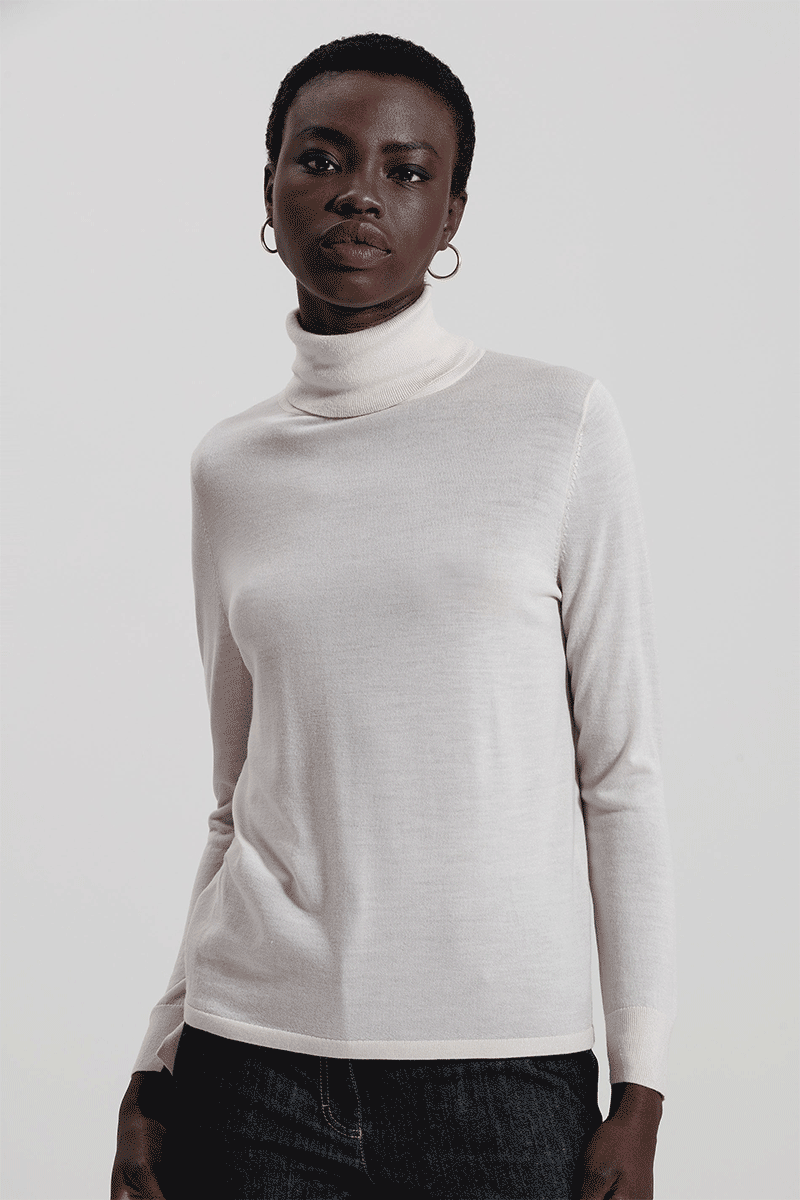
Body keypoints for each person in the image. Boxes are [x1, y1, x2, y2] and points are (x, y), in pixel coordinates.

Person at [110, 32, 676, 1200]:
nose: (359, 192)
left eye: (405, 170)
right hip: (249, 1066)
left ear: (451, 211)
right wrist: (154, 1065)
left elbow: (618, 778)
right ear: (270, 187)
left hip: (502, 1075)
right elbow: (234, 798)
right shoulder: (230, 467)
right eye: (320, 158)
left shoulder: (557, 425)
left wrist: (641, 1088)